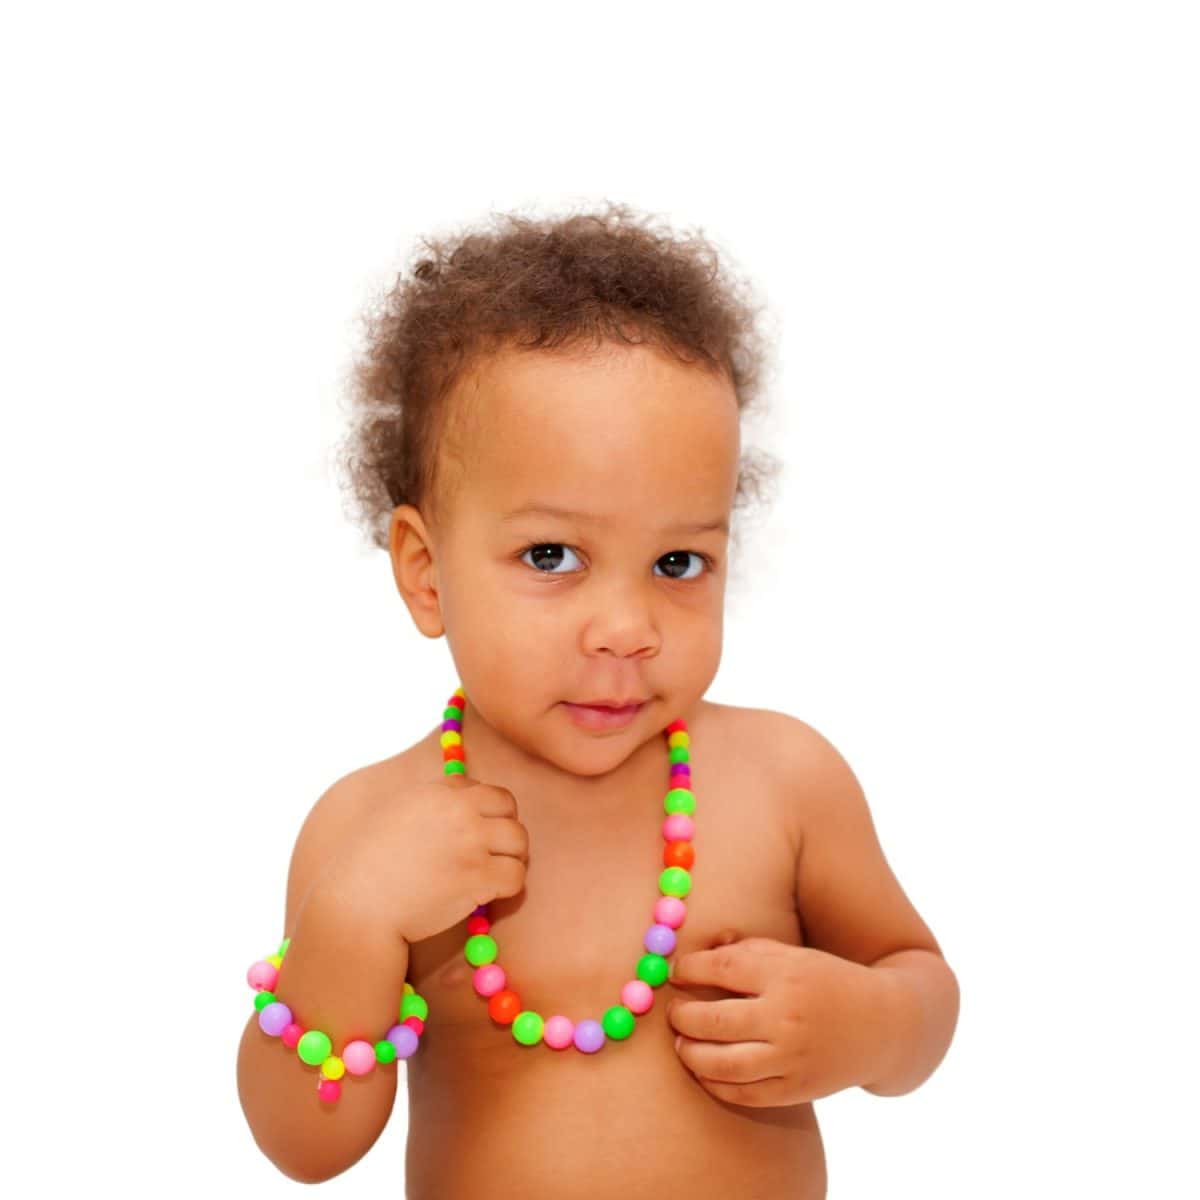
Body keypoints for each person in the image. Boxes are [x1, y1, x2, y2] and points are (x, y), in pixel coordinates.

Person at [235, 202, 959, 1198]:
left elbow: (920, 984)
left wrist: (870, 1025)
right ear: (426, 572)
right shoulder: (372, 831)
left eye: (677, 560)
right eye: (552, 556)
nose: (628, 625)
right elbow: (304, 1147)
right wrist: (353, 926)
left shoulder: (784, 783)